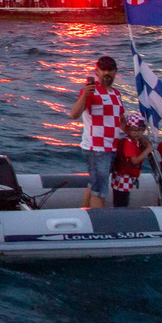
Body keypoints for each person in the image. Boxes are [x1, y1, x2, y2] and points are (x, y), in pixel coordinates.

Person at [68, 55, 126, 209]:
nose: (107, 73)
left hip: (112, 147)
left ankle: (85, 216)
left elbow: (120, 120)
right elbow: (74, 114)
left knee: (94, 185)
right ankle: (98, 224)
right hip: (96, 148)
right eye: (103, 69)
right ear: (97, 72)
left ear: (115, 72)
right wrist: (85, 94)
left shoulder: (117, 94)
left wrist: (137, 135)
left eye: (110, 69)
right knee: (99, 191)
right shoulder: (91, 91)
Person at [110, 112, 154, 208]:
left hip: (125, 176)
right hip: (123, 177)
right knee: (122, 201)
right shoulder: (128, 143)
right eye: (133, 130)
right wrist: (147, 150)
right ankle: (120, 216)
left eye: (140, 130)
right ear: (128, 130)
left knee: (122, 199)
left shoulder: (135, 142)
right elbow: (134, 160)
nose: (137, 133)